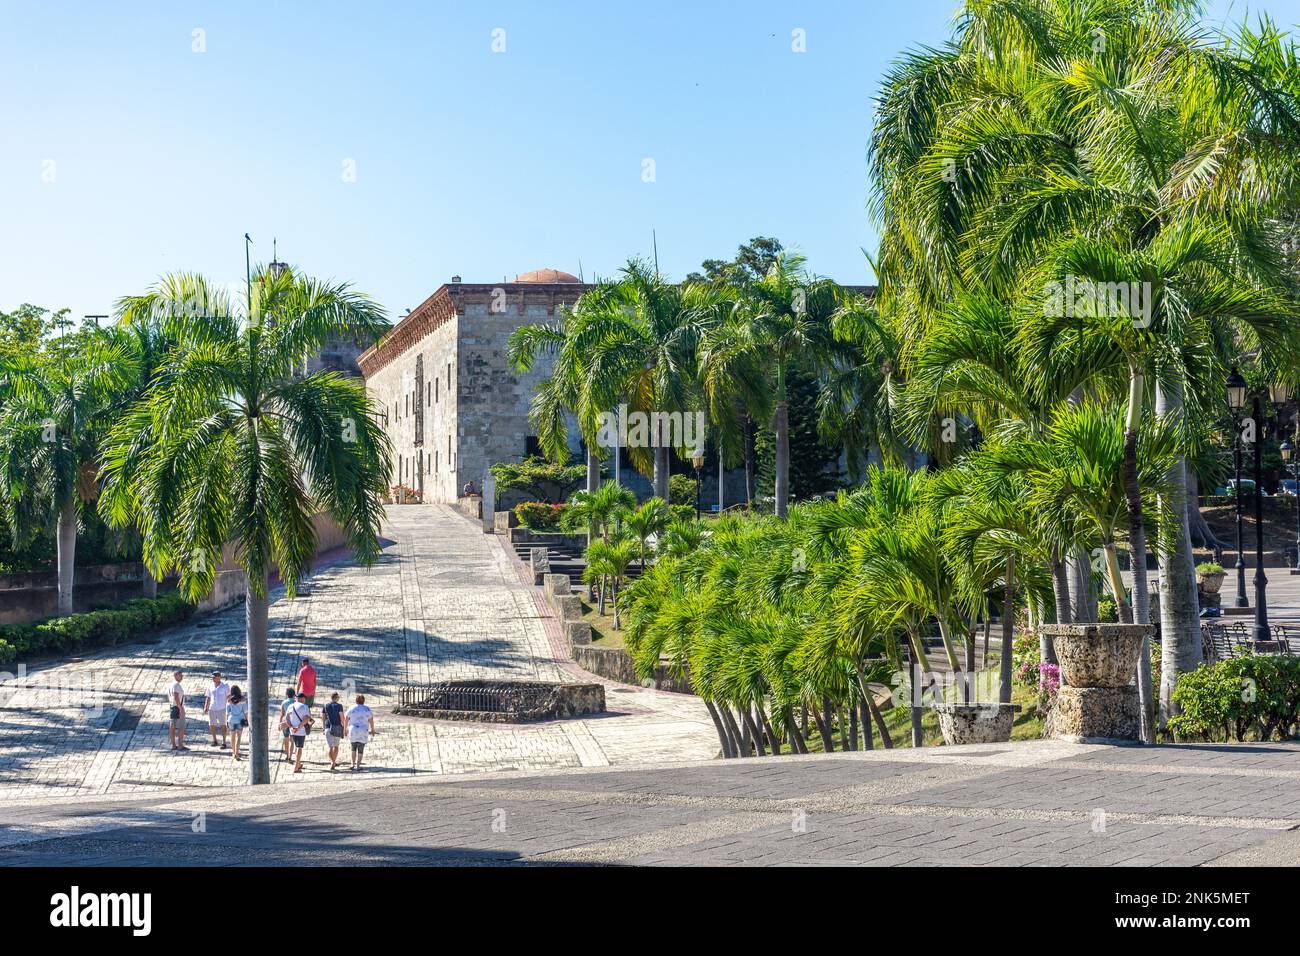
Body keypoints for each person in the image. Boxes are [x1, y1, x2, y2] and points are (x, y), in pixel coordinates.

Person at [345, 694, 375, 771]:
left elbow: (346, 718)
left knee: (353, 747)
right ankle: (358, 765)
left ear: (356, 700)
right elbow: (371, 720)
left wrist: (345, 729)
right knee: (361, 748)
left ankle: (352, 764)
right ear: (363, 701)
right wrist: (372, 729)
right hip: (363, 730)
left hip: (353, 729)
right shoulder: (366, 709)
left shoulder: (351, 708)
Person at [284, 692, 312, 773]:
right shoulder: (305, 706)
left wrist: (291, 727)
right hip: (300, 731)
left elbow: (287, 719)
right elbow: (306, 718)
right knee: (299, 748)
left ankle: (298, 764)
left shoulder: (290, 706)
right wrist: (298, 727)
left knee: (296, 746)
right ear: (302, 699)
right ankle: (296, 768)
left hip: (292, 731)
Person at [202, 671, 230, 749]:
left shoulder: (225, 686)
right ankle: (214, 740)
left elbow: (228, 696)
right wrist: (206, 707)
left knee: (223, 725)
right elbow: (208, 697)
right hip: (212, 708)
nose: (213, 678)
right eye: (213, 677)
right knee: (212, 725)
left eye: (215, 677)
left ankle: (224, 742)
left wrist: (230, 707)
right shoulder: (210, 686)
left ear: (219, 677)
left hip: (222, 708)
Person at [322, 691, 346, 771]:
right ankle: (334, 761)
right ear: (337, 698)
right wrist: (344, 727)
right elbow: (342, 717)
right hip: (337, 728)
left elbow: (323, 717)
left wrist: (323, 728)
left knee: (330, 746)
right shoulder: (339, 706)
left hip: (328, 727)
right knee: (336, 746)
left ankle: (332, 762)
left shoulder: (325, 706)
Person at [167, 670, 188, 751]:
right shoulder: (176, 684)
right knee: (181, 726)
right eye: (180, 675)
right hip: (178, 707)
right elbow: (176, 696)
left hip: (172, 707)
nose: (182, 677)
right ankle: (180, 745)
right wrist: (180, 708)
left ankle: (173, 745)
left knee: (172, 727)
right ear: (175, 675)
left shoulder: (170, 684)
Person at [226, 686, 248, 762]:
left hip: (231, 720)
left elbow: (227, 712)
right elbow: (245, 711)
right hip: (239, 720)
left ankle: (233, 752)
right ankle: (237, 753)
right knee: (239, 737)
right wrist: (246, 719)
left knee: (232, 736)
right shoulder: (243, 700)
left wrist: (226, 720)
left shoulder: (229, 700)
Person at [279, 686, 298, 762]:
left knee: (286, 739)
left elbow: (282, 714)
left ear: (287, 694)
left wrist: (280, 723)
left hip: (285, 722)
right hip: (293, 722)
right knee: (292, 740)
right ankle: (290, 756)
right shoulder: (296, 702)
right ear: (294, 694)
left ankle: (287, 755)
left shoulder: (283, 703)